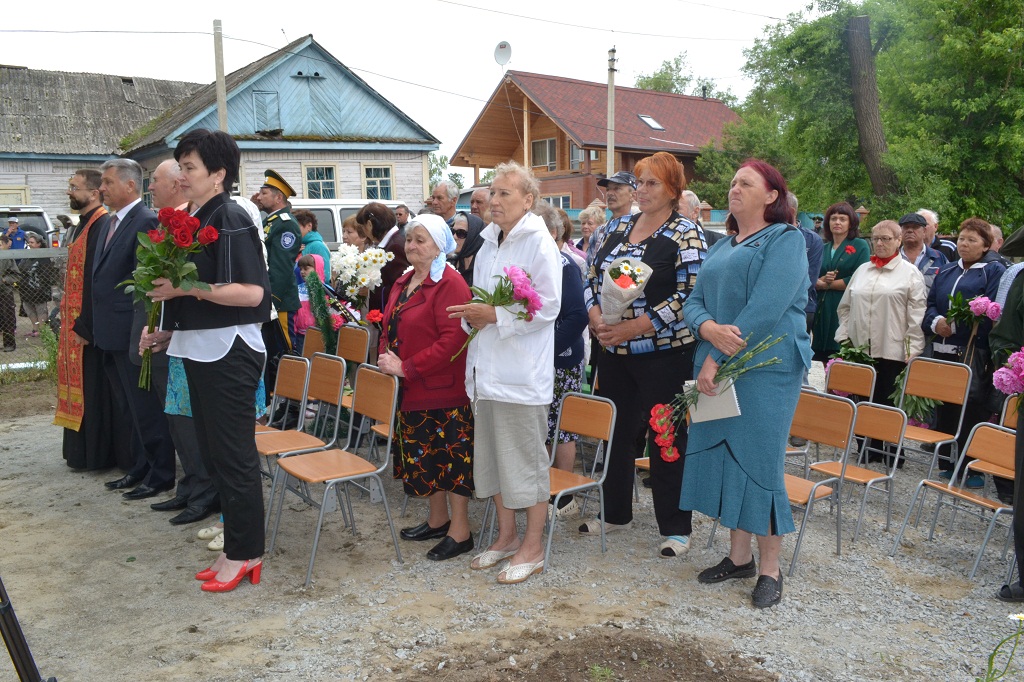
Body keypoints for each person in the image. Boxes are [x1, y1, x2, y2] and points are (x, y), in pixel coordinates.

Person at [681, 159, 810, 609]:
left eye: (746, 183)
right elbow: (692, 302)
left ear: (771, 196)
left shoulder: (785, 240)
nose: (735, 188)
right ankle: (739, 558)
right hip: (717, 362)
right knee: (727, 457)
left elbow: (765, 309)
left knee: (760, 461)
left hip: (767, 368)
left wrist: (715, 353)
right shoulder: (721, 245)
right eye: (733, 181)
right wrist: (707, 328)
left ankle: (770, 568)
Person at [147, 129, 271, 593]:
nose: (181, 175)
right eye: (180, 166)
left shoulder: (231, 215)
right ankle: (235, 545)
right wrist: (167, 329)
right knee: (214, 453)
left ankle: (247, 552)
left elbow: (252, 292)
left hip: (229, 350)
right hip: (199, 347)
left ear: (219, 174)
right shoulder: (196, 215)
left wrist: (184, 289)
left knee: (234, 456)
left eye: (190, 167)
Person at [582, 151, 704, 558]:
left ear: (673, 189)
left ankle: (675, 526)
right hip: (613, 353)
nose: (642, 190)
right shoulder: (615, 228)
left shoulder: (686, 233)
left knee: (665, 436)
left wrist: (635, 327)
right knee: (617, 431)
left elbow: (689, 295)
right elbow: (589, 277)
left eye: (652, 183)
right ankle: (615, 513)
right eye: (639, 182)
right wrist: (598, 319)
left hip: (663, 355)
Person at [446, 161, 561, 584]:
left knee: (525, 464)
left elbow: (547, 306)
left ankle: (533, 545)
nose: (494, 201)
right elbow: (481, 300)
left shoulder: (538, 242)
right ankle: (507, 536)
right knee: (493, 460)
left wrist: (494, 315)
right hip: (486, 371)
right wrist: (473, 316)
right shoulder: (489, 241)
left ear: (528, 200)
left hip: (519, 375)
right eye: (492, 193)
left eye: (504, 194)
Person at [377, 214, 475, 561]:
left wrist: (407, 367)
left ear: (439, 245)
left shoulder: (451, 283)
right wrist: (385, 353)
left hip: (443, 389)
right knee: (427, 457)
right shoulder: (405, 280)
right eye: (410, 239)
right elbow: (390, 323)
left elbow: (453, 340)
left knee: (451, 460)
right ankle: (437, 519)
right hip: (412, 389)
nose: (412, 245)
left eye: (421, 240)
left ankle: (461, 531)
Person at [139, 158, 219, 526]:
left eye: (157, 180)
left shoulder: (211, 220)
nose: (151, 187)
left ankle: (205, 492)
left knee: (191, 420)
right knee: (176, 416)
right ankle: (190, 485)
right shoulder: (174, 224)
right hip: (176, 335)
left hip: (203, 339)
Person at [92, 159, 176, 500]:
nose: (102, 188)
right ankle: (140, 467)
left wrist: (142, 333)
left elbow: (144, 290)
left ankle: (160, 474)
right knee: (128, 408)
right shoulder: (109, 222)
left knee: (145, 408)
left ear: (130, 186)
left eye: (109, 182)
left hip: (133, 332)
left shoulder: (145, 221)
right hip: (108, 332)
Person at [56, 169, 131, 472]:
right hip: (75, 320)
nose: (69, 192)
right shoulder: (81, 224)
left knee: (96, 390)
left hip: (88, 325)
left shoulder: (101, 224)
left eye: (75, 187)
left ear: (94, 192)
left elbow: (95, 280)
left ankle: (97, 455)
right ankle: (80, 452)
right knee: (82, 386)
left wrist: (85, 324)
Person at [923, 217, 1006, 483]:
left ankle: (972, 467)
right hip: (941, 348)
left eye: (972, 240)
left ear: (985, 245)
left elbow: (992, 309)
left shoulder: (993, 271)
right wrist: (937, 322)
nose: (964, 244)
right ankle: (949, 462)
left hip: (972, 352)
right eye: (961, 238)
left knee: (971, 408)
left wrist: (957, 325)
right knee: (945, 406)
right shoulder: (947, 271)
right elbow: (931, 304)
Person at [835, 219, 926, 423]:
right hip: (859, 349)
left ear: (898, 241)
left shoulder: (910, 273)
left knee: (886, 405)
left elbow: (917, 313)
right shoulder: (862, 270)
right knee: (860, 402)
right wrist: (844, 336)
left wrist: (912, 348)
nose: (880, 243)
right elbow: (845, 306)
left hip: (891, 350)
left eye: (885, 239)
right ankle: (864, 451)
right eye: (876, 239)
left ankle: (890, 453)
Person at [534, 202, 588, 519]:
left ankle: (564, 498)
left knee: (561, 427)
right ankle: (544, 487)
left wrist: (548, 350)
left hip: (561, 359)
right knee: (542, 426)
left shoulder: (565, 265)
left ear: (553, 233)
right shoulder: (539, 263)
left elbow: (577, 315)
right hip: (539, 360)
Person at [811, 202, 870, 363]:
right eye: (833, 218)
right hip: (822, 308)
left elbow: (860, 277)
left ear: (851, 223)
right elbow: (811, 276)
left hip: (844, 306)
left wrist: (829, 284)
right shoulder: (823, 247)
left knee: (842, 353)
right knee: (823, 358)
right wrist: (820, 281)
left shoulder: (860, 245)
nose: (837, 222)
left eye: (842, 219)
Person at [259, 170, 302, 350]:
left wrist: (271, 301)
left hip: (279, 302)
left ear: (278, 198)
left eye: (264, 193)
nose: (259, 197)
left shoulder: (286, 224)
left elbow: (281, 268)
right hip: (269, 299)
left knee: (285, 352)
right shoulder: (270, 221)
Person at [356, 202, 409, 312]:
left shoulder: (394, 246)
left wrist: (370, 290)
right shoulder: (391, 243)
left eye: (363, 227)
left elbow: (399, 287)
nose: (364, 232)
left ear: (370, 224)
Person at [587, 171, 637, 267]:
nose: (610, 193)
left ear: (633, 195)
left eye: (617, 189)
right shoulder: (599, 232)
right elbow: (589, 269)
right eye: (608, 189)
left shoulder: (639, 229)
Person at [898, 212, 947, 293]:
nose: (910, 230)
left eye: (915, 227)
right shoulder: (893, 258)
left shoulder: (938, 257)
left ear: (924, 231)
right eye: (906, 227)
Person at [20, 234, 54, 337]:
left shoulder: (43, 256)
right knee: (29, 309)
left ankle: (42, 330)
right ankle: (35, 329)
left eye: (32, 242)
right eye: (29, 242)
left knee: (40, 310)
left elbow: (46, 274)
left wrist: (41, 287)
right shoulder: (27, 255)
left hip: (39, 289)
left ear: (39, 244)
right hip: (26, 289)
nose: (29, 244)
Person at [293, 209, 332, 281]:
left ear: (309, 226)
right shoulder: (298, 246)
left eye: (295, 227)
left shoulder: (317, 246)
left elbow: (324, 277)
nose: (292, 231)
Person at [448, 212, 485, 287]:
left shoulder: (485, 264)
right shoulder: (450, 261)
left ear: (473, 236)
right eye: (453, 231)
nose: (454, 237)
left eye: (461, 233)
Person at [0, 235, 18, 351]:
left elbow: (16, 274)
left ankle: (9, 344)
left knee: (8, 318)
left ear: (6, 245)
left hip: (5, 293)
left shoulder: (7, 258)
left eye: (0, 245)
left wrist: (4, 280)